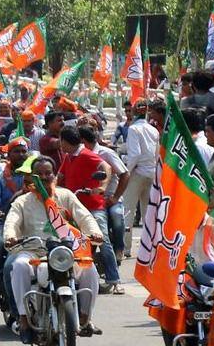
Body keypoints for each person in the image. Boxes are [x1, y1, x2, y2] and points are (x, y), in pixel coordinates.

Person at [4, 156, 103, 343]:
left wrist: (95, 233)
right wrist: (10, 236)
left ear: (55, 175)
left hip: (65, 251)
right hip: (34, 251)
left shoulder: (66, 196)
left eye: (48, 173)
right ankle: (24, 319)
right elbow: (12, 221)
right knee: (18, 266)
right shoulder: (22, 202)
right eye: (39, 174)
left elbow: (85, 217)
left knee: (90, 269)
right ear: (32, 178)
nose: (44, 177)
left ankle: (84, 318)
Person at [58, 126, 122, 293]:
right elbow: (60, 177)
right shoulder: (68, 156)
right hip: (72, 207)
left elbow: (106, 168)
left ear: (66, 141)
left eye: (61, 140)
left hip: (93, 206)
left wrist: (102, 187)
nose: (59, 143)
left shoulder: (87, 154)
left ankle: (114, 279)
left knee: (102, 240)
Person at [0, 137, 29, 309]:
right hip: (6, 223)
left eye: (24, 151)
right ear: (9, 154)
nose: (21, 155)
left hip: (32, 223)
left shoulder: (34, 174)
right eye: (17, 151)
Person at [78, 125, 130, 270]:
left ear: (83, 140)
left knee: (116, 217)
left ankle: (119, 249)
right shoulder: (78, 154)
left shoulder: (106, 153)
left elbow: (125, 174)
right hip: (89, 199)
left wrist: (115, 197)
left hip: (110, 198)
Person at [122, 100, 159, 256]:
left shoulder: (133, 129)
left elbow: (135, 154)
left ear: (135, 112)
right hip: (151, 172)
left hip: (136, 173)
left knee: (128, 211)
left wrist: (126, 171)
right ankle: (150, 248)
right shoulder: (154, 130)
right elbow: (156, 154)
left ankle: (126, 248)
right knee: (149, 213)